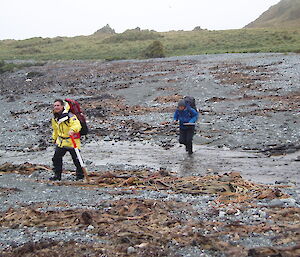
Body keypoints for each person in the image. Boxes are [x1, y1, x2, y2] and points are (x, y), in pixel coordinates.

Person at [50, 99, 84, 181]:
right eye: (55, 106)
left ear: (62, 106)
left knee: (76, 159)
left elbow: (77, 125)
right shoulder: (55, 118)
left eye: (58, 105)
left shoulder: (70, 116)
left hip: (72, 141)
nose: (56, 107)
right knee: (56, 158)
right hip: (61, 142)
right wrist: (54, 139)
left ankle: (80, 176)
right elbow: (55, 130)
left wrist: (72, 130)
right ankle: (57, 175)